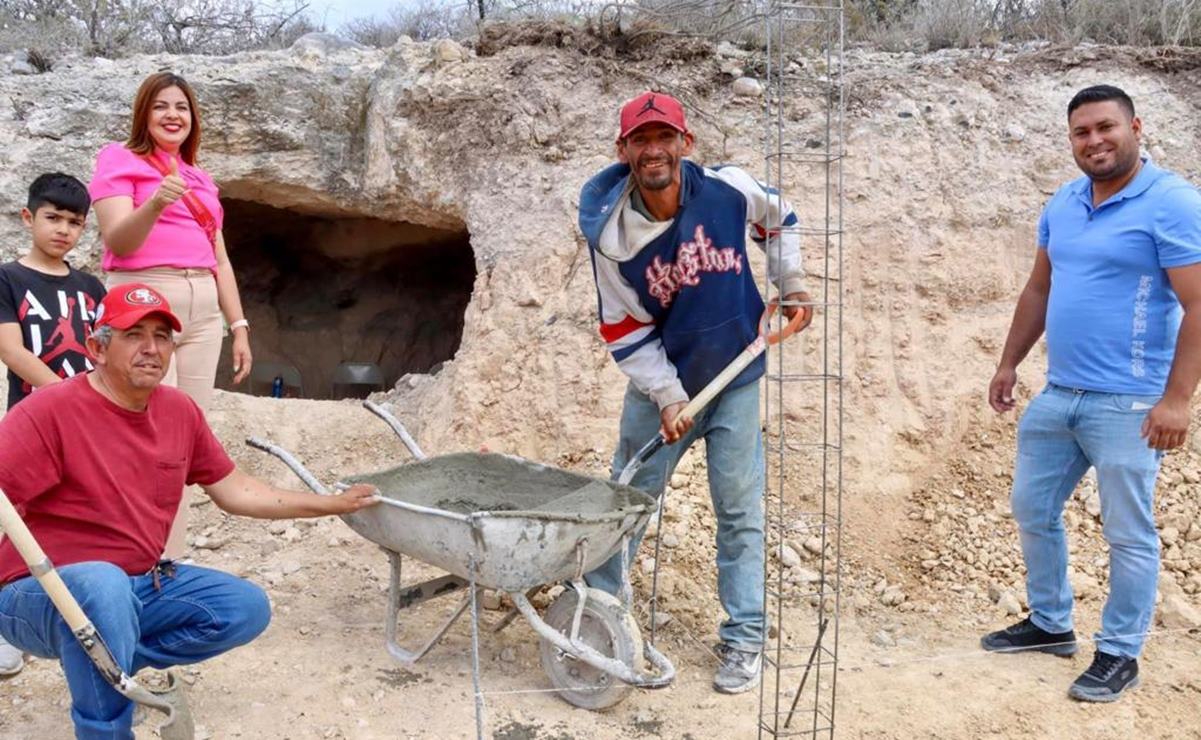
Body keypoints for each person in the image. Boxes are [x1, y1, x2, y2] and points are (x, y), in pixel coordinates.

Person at [0, 283, 377, 738]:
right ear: (98, 348)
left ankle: (105, 656)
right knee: (103, 584)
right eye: (134, 335)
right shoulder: (50, 411)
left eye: (162, 337)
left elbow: (236, 490)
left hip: (136, 586)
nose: (151, 348)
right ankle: (105, 730)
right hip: (39, 593)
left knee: (243, 607)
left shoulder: (179, 411)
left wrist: (331, 504)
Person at [577, 91, 811, 694]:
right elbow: (623, 327)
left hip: (736, 379)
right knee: (625, 502)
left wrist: (791, 283)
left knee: (739, 512)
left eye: (665, 137)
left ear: (686, 143)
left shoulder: (729, 190)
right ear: (623, 150)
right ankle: (597, 618)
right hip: (663, 387)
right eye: (640, 140)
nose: (653, 149)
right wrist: (666, 395)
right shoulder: (612, 236)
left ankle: (744, 638)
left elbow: (778, 219)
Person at [984, 85, 1201, 702]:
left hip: (1130, 403)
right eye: (1081, 132)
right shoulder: (1064, 201)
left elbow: (1199, 302)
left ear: (1135, 126)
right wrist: (1008, 363)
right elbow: (1038, 289)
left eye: (1106, 127)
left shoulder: (1174, 203)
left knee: (1128, 532)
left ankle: (1120, 652)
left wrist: (1177, 399)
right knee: (1031, 508)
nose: (1095, 141)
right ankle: (1050, 624)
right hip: (1059, 394)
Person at [89, 71, 254, 559]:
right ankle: (130, 554)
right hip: (146, 297)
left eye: (181, 107)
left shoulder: (203, 179)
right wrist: (156, 203)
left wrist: (239, 325)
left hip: (202, 305)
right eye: (161, 106)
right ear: (144, 113)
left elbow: (220, 259)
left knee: (182, 439)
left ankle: (168, 557)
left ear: (192, 118)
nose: (172, 115)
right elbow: (118, 239)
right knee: (144, 431)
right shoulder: (119, 159)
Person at [0, 172, 106, 677]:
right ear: (28, 217)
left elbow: (107, 352)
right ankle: (6, 626)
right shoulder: (7, 278)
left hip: (90, 425)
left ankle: (82, 614)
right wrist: (68, 398)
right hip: (32, 421)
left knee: (78, 514)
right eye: (53, 218)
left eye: (74, 222)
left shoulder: (91, 287)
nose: (63, 229)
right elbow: (10, 349)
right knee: (14, 521)